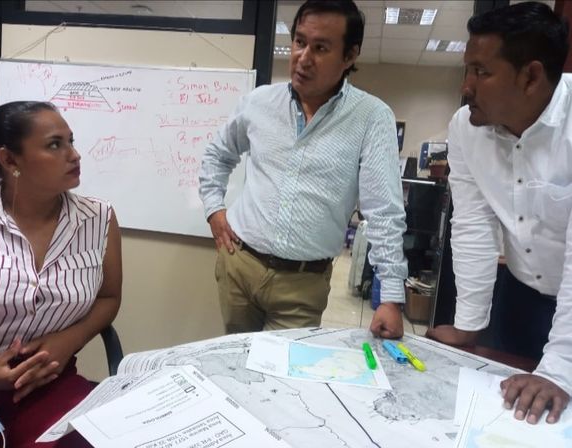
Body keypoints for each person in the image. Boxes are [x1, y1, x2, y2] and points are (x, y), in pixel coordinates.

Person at [199, 0, 407, 336]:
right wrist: (214, 209)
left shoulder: (371, 117)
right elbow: (218, 155)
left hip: (302, 283)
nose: (303, 58)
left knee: (283, 368)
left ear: (350, 56)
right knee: (236, 358)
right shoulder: (259, 103)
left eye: (321, 48)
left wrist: (391, 297)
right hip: (239, 265)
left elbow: (384, 211)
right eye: (299, 41)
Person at [425, 2, 572, 425]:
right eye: (467, 69)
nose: (466, 86)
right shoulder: (466, 128)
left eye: (481, 72)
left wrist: (560, 369)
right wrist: (468, 325)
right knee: (506, 417)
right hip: (521, 298)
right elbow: (473, 225)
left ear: (531, 77)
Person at [0, 101, 122, 446]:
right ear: (10, 160)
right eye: (55, 144)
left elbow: (108, 297)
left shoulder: (98, 218)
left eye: (71, 141)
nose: (75, 155)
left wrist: (69, 340)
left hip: (48, 380)